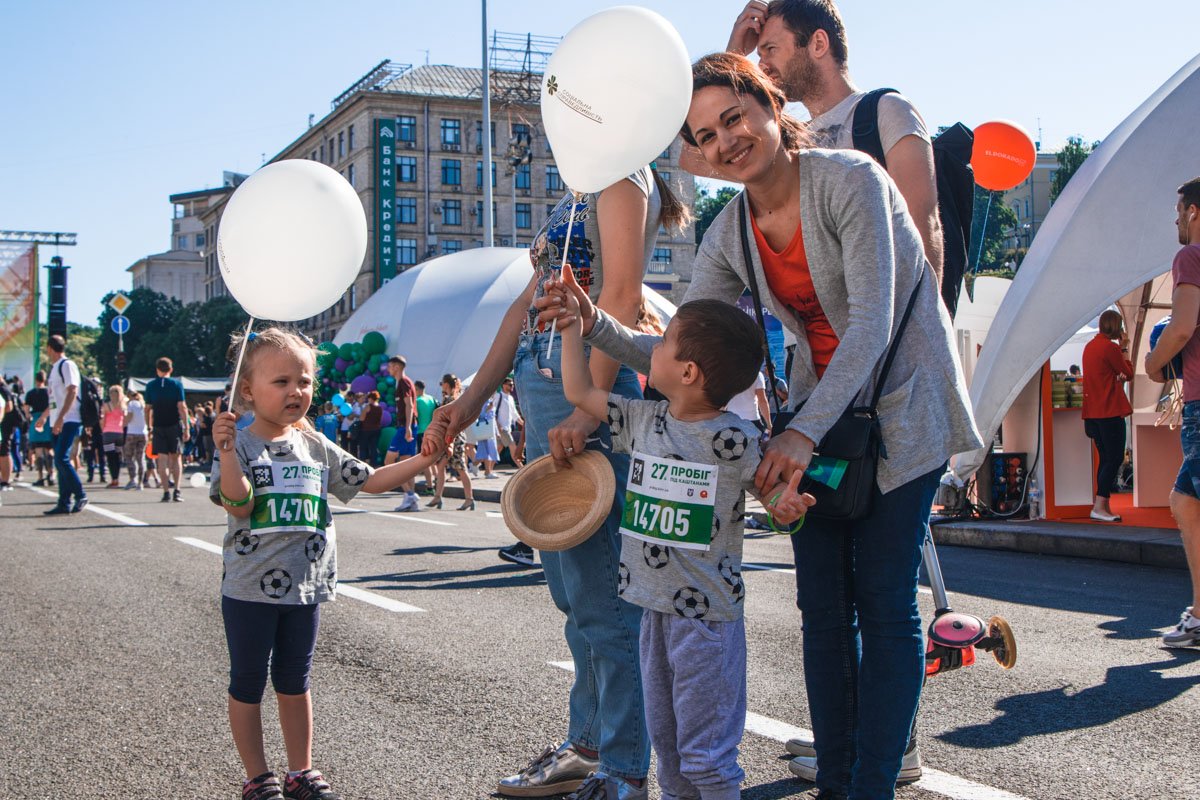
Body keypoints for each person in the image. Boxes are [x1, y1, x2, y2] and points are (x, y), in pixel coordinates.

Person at [540, 53, 981, 799]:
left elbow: (872, 323)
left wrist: (799, 433)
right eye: (706, 136)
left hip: (904, 409)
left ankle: (871, 783)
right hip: (821, 417)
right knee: (820, 608)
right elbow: (681, 350)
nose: (725, 142)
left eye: (734, 118)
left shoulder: (850, 180)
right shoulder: (731, 231)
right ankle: (837, 778)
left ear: (771, 105)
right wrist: (598, 324)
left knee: (880, 595)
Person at [426, 160, 688, 800]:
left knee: (604, 594)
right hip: (543, 372)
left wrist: (587, 399)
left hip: (583, 376)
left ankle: (623, 770)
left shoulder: (625, 174)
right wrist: (467, 405)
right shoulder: (581, 185)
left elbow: (622, 296)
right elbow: (522, 308)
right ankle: (590, 744)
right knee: (575, 594)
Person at [556, 281, 814, 800]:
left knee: (707, 755)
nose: (654, 346)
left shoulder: (736, 439)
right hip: (654, 611)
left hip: (706, 624)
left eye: (665, 342)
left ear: (688, 372)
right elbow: (579, 394)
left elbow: (778, 505)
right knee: (669, 753)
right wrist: (571, 329)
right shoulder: (645, 419)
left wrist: (787, 509)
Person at [210, 326, 434, 800]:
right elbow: (239, 504)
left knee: (295, 680)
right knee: (248, 682)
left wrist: (424, 458)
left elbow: (369, 481)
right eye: (282, 382)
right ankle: (257, 778)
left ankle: (301, 772)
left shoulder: (316, 446)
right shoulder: (241, 444)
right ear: (246, 391)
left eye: (305, 381)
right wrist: (227, 452)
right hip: (250, 589)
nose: (297, 391)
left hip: (306, 587)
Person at [727, 0, 943, 294]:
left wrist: (918, 328)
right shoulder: (785, 141)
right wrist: (734, 57)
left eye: (770, 50)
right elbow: (694, 159)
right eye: (758, 54)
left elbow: (923, 227)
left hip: (884, 328)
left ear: (818, 43)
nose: (761, 65)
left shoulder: (887, 111)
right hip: (815, 335)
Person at [1148, 177, 1200, 647]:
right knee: (1186, 501)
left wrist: (1152, 362)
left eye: (1179, 210)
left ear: (1195, 213)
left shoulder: (1191, 256)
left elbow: (1181, 328)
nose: (1176, 219)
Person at [1081, 310, 1134, 522]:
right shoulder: (1110, 347)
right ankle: (1100, 504)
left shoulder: (1089, 347)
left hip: (1092, 412)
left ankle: (1103, 506)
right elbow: (1128, 372)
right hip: (1109, 410)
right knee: (1114, 458)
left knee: (1105, 458)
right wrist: (1125, 349)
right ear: (1116, 327)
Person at [38, 335, 88, 514]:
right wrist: (45, 416)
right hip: (57, 420)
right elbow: (54, 399)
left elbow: (73, 390)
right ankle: (63, 502)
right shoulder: (54, 369)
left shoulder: (67, 365)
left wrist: (60, 417)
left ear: (50, 348)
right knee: (59, 461)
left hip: (70, 419)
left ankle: (80, 494)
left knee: (61, 458)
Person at [144, 356, 189, 502]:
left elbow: (147, 408)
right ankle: (177, 490)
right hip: (174, 424)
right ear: (171, 369)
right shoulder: (176, 385)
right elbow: (182, 407)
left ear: (157, 369)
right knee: (176, 458)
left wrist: (148, 426)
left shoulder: (150, 386)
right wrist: (187, 426)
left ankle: (165, 492)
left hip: (158, 425)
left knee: (162, 459)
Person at [426, 374, 474, 511]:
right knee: (444, 467)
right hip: (456, 437)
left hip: (452, 439)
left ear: (446, 384)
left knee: (460, 468)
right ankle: (438, 497)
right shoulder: (457, 398)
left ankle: (469, 499)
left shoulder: (448, 400)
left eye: (442, 384)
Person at [386, 356, 422, 512]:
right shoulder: (403, 382)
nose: (388, 369)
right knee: (406, 465)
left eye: (390, 366)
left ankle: (409, 493)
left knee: (388, 461)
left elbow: (409, 405)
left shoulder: (404, 382)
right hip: (408, 426)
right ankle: (411, 500)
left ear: (396, 366)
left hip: (405, 427)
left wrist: (407, 427)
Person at [25, 372, 53, 487]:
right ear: (45, 379)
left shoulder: (31, 393)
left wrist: (29, 417)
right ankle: (51, 474)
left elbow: (26, 409)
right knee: (49, 449)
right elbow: (52, 405)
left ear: (35, 379)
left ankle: (40, 476)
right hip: (47, 419)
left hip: (36, 419)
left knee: (38, 450)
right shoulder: (48, 392)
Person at [100, 385, 127, 488]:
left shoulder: (106, 406)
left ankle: (113, 479)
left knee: (110, 457)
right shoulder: (124, 406)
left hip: (108, 433)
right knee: (118, 456)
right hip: (120, 433)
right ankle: (117, 478)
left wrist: (103, 430)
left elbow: (102, 420)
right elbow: (126, 420)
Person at [413, 380, 438, 491]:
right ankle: (437, 479)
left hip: (421, 431)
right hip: (432, 431)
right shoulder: (431, 399)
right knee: (432, 457)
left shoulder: (417, 401)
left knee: (425, 460)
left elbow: (415, 416)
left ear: (417, 389)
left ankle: (429, 486)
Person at [494, 377, 523, 468]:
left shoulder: (510, 398)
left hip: (506, 428)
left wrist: (524, 424)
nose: (512, 386)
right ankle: (522, 468)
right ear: (503, 385)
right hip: (502, 428)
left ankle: (486, 468)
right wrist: (498, 426)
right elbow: (493, 412)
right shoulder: (499, 396)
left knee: (499, 448)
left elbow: (514, 414)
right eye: (510, 384)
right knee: (513, 447)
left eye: (513, 384)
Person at [123, 389, 148, 490]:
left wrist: (123, 423)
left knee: (129, 456)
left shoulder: (131, 404)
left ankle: (133, 478)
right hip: (143, 433)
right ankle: (141, 483)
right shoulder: (143, 404)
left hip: (132, 432)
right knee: (140, 457)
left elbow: (129, 417)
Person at [358, 391, 382, 466]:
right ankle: (374, 464)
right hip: (376, 430)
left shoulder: (368, 406)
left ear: (371, 398)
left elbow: (361, 418)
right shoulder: (379, 407)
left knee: (363, 448)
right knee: (373, 448)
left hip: (366, 430)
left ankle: (362, 464)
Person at [0, 376, 13, 490]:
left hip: (6, 424)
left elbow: (9, 406)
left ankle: (5, 480)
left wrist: (2, 412)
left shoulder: (3, 388)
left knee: (5, 451)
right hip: (4, 424)